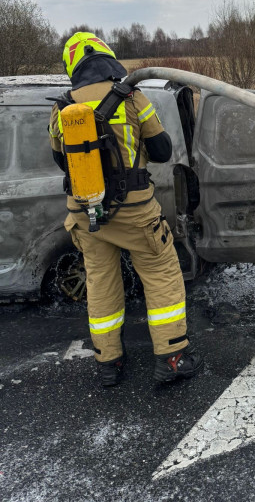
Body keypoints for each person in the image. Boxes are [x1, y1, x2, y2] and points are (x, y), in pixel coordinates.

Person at [48, 31, 202, 387]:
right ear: (107, 57)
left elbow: (61, 161)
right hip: (134, 211)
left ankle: (109, 363)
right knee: (161, 275)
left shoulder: (61, 107)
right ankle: (172, 357)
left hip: (86, 213)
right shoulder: (132, 97)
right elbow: (162, 150)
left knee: (101, 283)